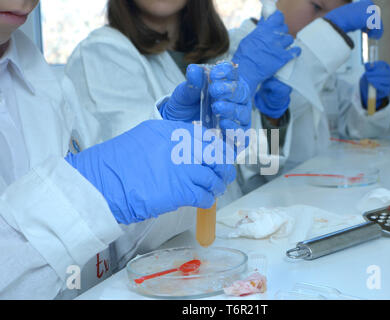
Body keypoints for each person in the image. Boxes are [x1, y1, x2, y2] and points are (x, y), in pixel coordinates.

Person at [0, 0, 246, 299]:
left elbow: (97, 248)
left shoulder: (37, 75)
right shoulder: (100, 51)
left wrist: (147, 172)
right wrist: (88, 192)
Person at [64, 0, 299, 206]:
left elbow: (264, 168)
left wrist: (272, 118)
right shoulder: (101, 53)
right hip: (167, 250)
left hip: (229, 232)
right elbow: (137, 179)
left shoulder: (217, 55)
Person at [228, 0, 390, 194]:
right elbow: (260, 164)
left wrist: (371, 102)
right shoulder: (237, 54)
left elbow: (354, 132)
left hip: (320, 194)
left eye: (331, 17)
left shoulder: (323, 67)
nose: (321, 23)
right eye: (316, 7)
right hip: (265, 203)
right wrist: (273, 122)